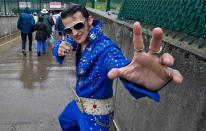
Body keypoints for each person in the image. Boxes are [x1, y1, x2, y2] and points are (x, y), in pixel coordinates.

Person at [52, 4, 183, 131]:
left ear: (89, 21)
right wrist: (59, 48)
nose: (74, 33)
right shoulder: (78, 39)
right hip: (77, 106)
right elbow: (64, 43)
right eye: (69, 30)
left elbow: (120, 64)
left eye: (78, 25)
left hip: (95, 117)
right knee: (65, 119)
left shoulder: (106, 49)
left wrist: (141, 78)